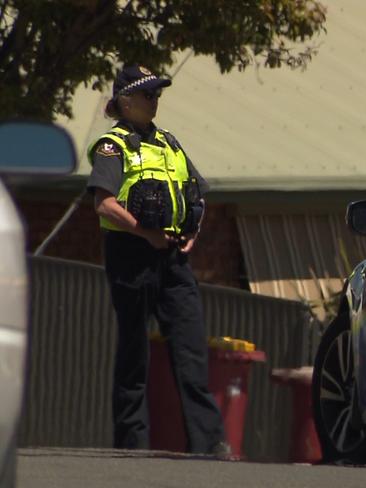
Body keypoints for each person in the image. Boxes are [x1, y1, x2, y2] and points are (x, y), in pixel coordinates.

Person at [86, 65, 229, 456]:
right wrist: (143, 231)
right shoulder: (113, 146)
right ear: (126, 101)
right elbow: (104, 203)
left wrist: (192, 232)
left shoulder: (168, 142)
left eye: (157, 95)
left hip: (172, 259)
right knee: (135, 351)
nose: (155, 101)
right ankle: (131, 443)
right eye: (148, 95)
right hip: (132, 256)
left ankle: (208, 441)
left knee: (191, 347)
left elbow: (198, 193)